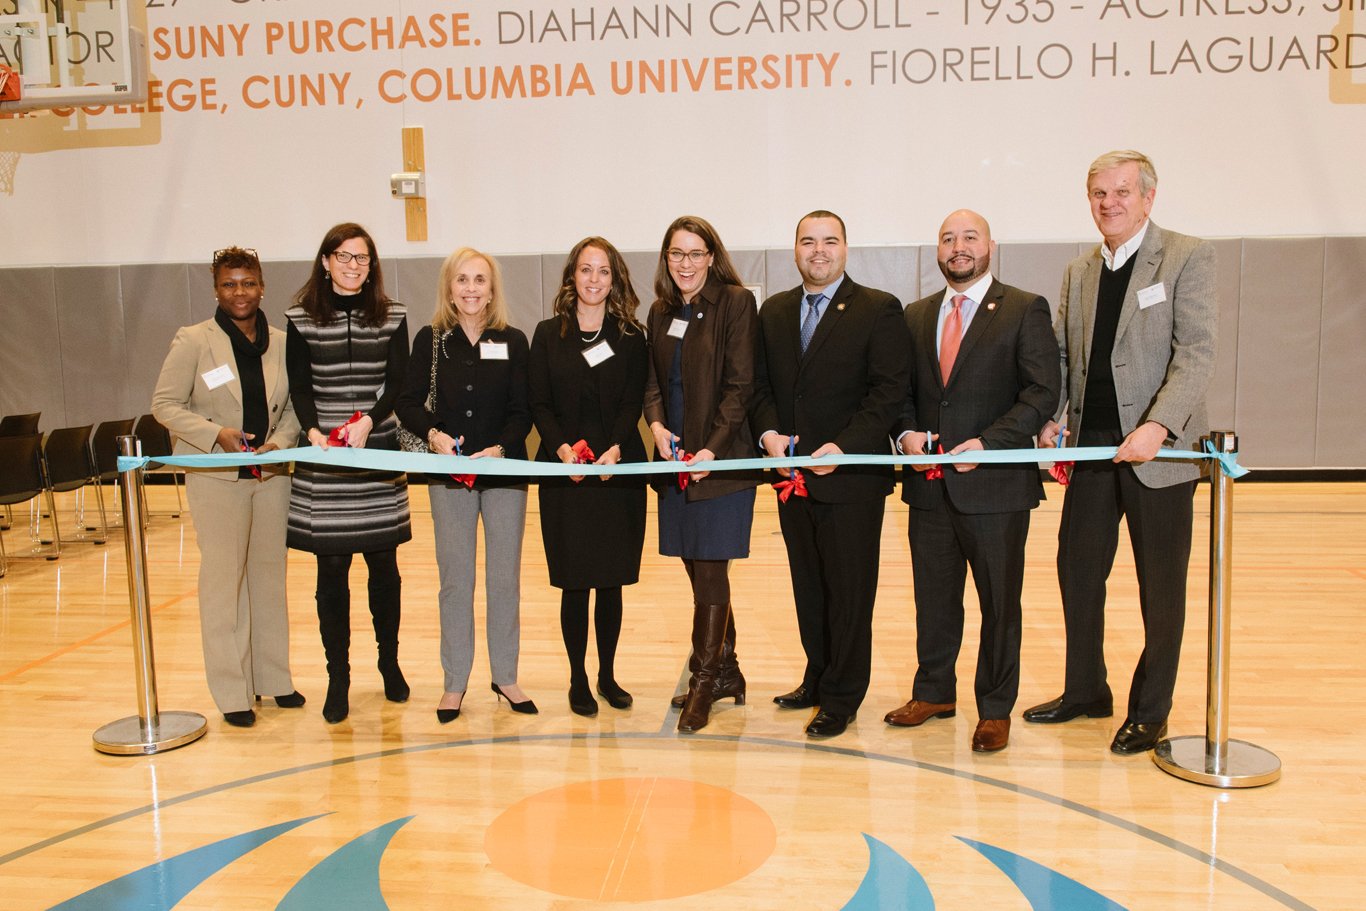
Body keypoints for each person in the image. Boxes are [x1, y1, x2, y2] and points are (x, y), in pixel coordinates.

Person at [1022, 150, 1218, 755]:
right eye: (1099, 193)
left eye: (1123, 192)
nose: (1110, 203)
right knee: (1078, 574)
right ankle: (1086, 690)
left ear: (1148, 197)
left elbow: (1197, 353)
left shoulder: (1187, 255)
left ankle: (1149, 709)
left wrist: (1159, 425)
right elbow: (1061, 357)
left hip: (1158, 455)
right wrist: (1052, 417)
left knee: (1161, 590)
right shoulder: (1079, 271)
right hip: (1091, 454)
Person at [882, 210, 1060, 753]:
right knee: (933, 599)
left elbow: (1040, 393)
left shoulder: (1025, 309)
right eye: (948, 238)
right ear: (938, 249)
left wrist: (990, 444)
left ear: (990, 246)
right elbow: (900, 390)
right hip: (931, 487)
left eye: (969, 237)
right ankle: (934, 691)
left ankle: (995, 707)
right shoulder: (915, 315)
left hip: (997, 487)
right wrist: (906, 431)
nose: (958, 247)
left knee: (999, 603)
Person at [753, 210, 909, 739]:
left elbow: (887, 393)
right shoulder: (773, 312)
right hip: (791, 479)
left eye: (829, 241)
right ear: (794, 249)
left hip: (850, 481)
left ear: (845, 248)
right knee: (809, 587)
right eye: (807, 241)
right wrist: (769, 434)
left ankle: (842, 697)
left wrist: (843, 447)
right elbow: (761, 388)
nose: (818, 250)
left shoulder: (877, 309)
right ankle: (817, 677)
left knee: (848, 592)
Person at [151, 246, 303, 728]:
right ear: (216, 289)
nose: (240, 293)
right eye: (229, 284)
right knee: (223, 584)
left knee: (267, 578)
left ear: (262, 285)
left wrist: (279, 442)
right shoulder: (194, 340)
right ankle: (232, 690)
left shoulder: (281, 341)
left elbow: (298, 409)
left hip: (270, 476)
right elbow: (165, 405)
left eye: (248, 283)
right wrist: (215, 434)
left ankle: (273, 679)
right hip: (217, 478)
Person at [394, 247, 536, 723]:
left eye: (480, 280)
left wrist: (499, 449)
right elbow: (408, 401)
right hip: (448, 476)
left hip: (504, 473)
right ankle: (454, 682)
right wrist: (433, 435)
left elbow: (524, 410)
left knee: (504, 580)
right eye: (462, 280)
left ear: (492, 288)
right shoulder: (430, 340)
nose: (471, 289)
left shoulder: (513, 340)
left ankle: (506, 677)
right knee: (455, 582)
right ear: (449, 288)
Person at [286, 223, 412, 725]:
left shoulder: (393, 315)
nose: (353, 265)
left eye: (362, 259)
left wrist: (367, 421)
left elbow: (398, 383)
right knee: (331, 573)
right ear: (325, 261)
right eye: (344, 257)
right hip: (326, 461)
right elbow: (299, 386)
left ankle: (390, 663)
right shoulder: (299, 318)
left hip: (377, 451)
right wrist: (315, 431)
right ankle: (338, 677)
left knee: (384, 569)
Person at [643, 215, 759, 734]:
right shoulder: (660, 311)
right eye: (676, 254)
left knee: (711, 573)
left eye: (695, 253)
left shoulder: (735, 302)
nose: (685, 263)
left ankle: (704, 682)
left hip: (723, 463)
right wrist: (657, 426)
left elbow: (740, 386)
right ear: (667, 259)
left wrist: (711, 449)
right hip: (676, 462)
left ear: (711, 256)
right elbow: (652, 383)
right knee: (697, 570)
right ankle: (728, 670)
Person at [529, 237, 649, 717]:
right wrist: (560, 449)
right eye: (585, 270)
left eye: (603, 271)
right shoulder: (546, 334)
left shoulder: (630, 336)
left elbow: (632, 401)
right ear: (572, 277)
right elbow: (538, 401)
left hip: (615, 474)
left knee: (611, 582)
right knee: (575, 583)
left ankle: (607, 675)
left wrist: (616, 445)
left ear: (614, 278)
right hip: (564, 476)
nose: (594, 279)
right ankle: (578, 677)